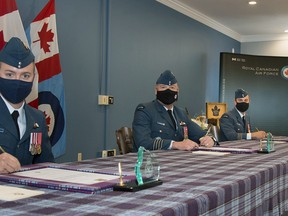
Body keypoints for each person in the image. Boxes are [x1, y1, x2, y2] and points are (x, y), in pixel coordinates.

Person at [0, 37, 54, 174]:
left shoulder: (38, 118)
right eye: (9, 74)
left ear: (33, 78)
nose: (17, 81)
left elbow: (46, 165)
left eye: (25, 76)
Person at [132, 70, 216, 151]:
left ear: (177, 92)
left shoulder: (181, 113)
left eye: (172, 87)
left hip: (176, 161)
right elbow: (143, 143)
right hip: (151, 161)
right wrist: (175, 144)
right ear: (156, 90)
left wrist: (209, 139)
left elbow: (201, 133)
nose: (168, 91)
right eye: (163, 87)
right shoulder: (145, 110)